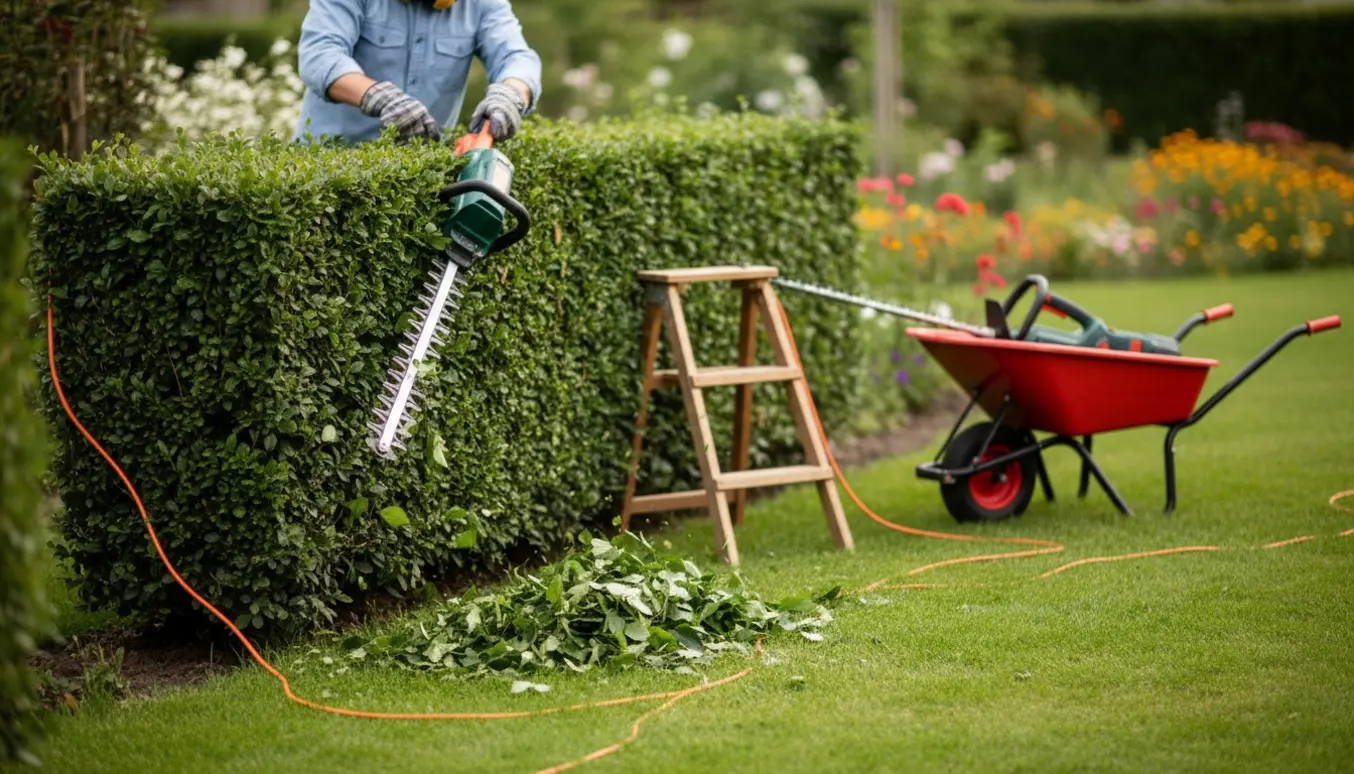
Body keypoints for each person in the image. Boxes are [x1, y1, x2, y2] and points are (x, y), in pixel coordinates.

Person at [294, 0, 542, 145]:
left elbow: (517, 57)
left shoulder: (481, 4)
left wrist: (511, 93)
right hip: (330, 163)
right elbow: (319, 55)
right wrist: (376, 96)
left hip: (418, 174)